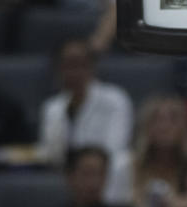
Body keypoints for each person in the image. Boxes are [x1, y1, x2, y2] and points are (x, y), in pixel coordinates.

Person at [37, 39, 133, 167]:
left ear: (92, 66)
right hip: (65, 176)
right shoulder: (52, 107)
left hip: (106, 174)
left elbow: (115, 149)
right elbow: (51, 154)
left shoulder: (115, 99)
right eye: (67, 65)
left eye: (79, 64)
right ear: (58, 69)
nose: (73, 72)